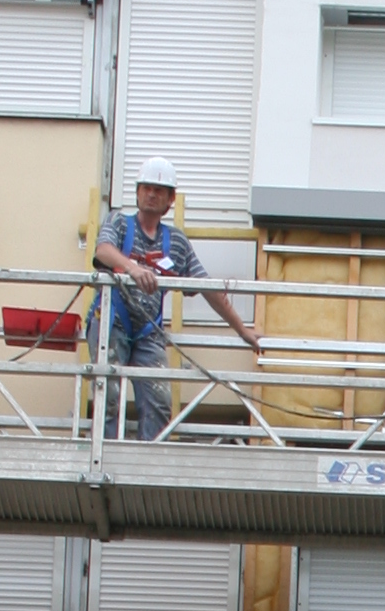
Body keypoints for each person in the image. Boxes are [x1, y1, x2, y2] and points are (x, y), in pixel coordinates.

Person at [94, 156, 261, 440]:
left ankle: (149, 468)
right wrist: (133, 268)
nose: (151, 194)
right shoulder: (119, 223)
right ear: (137, 192)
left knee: (159, 402)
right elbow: (102, 250)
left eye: (159, 190)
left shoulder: (177, 243)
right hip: (112, 322)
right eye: (146, 187)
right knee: (109, 394)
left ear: (170, 199)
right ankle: (107, 457)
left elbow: (207, 288)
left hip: (148, 332)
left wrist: (242, 330)